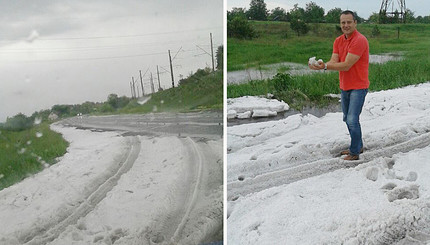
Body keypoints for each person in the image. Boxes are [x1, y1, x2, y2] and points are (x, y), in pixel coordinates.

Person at [309, 10, 369, 161]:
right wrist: (321, 65)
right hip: (345, 85)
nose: (346, 25)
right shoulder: (338, 41)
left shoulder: (359, 40)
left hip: (358, 86)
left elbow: (347, 65)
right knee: (346, 118)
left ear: (355, 23)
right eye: (343, 22)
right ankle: (358, 145)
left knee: (352, 120)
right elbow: (334, 61)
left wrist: (325, 67)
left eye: (349, 22)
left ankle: (355, 152)